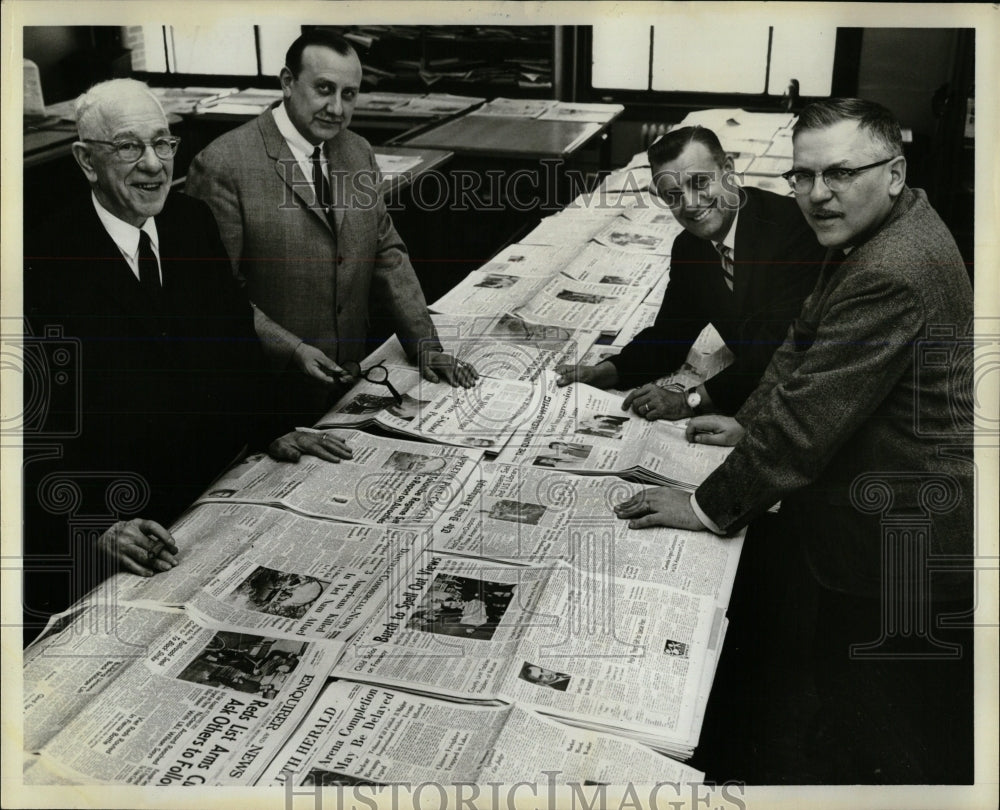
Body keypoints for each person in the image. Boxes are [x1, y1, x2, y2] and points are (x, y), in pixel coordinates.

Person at [615, 99, 974, 783]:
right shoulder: (874, 234)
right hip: (872, 517)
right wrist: (752, 422)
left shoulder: (892, 269)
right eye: (802, 176)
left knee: (886, 726)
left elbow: (807, 428)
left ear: (894, 172)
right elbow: (799, 349)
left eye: (839, 173)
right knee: (844, 690)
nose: (816, 194)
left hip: (902, 538)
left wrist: (702, 507)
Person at [22, 79, 351, 643]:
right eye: (129, 147)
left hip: (203, 494)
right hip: (120, 524)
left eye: (163, 143)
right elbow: (32, 428)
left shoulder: (191, 222)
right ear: (86, 160)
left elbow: (232, 343)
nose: (152, 166)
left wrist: (271, 427)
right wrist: (98, 526)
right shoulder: (43, 260)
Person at [186, 30, 476, 422]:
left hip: (350, 382)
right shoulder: (223, 164)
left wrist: (425, 344)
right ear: (288, 83)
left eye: (349, 94)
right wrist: (291, 349)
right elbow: (217, 295)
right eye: (324, 89)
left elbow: (387, 253)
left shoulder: (356, 151)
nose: (336, 108)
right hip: (269, 396)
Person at [556, 125, 825, 421]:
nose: (690, 204)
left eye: (699, 183)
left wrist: (689, 401)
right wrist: (603, 372)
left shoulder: (793, 230)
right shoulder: (689, 247)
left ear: (728, 169)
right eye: (673, 195)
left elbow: (776, 352)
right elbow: (670, 335)